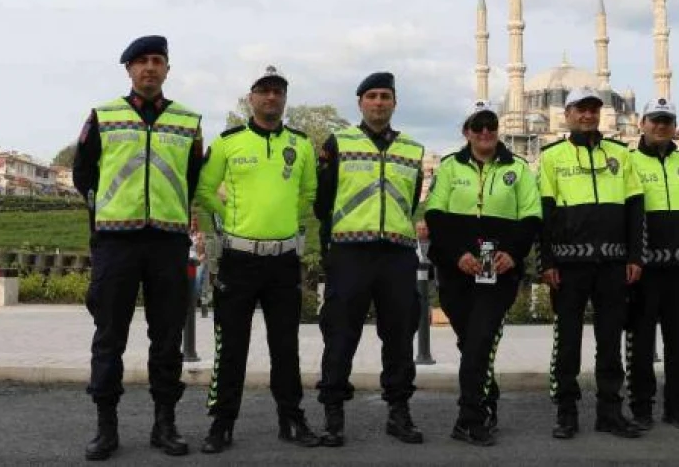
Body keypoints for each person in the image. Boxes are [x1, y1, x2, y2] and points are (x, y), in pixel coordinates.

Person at [72, 35, 203, 460]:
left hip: (167, 241)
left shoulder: (188, 121)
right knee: (109, 336)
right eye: (141, 61)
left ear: (167, 69)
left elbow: (193, 177)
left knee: (167, 338)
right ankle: (105, 428)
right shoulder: (103, 115)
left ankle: (164, 424)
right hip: (116, 242)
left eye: (157, 61)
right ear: (128, 69)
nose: (150, 68)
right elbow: (83, 174)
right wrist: (102, 217)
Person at [194, 66, 321, 453]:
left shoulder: (300, 145)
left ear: (284, 98)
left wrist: (288, 225)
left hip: (283, 261)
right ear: (252, 97)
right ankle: (222, 422)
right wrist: (227, 222)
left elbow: (308, 193)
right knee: (231, 345)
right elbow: (202, 189)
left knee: (286, 346)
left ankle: (291, 418)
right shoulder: (229, 142)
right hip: (238, 258)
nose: (271, 98)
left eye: (278, 91)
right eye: (264, 91)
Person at [314, 71, 426, 447]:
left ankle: (399, 412)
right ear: (360, 102)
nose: (379, 102)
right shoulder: (338, 142)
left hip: (396, 254)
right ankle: (333, 415)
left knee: (399, 337)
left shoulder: (413, 149)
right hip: (350, 254)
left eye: (385, 96)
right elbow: (323, 203)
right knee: (340, 337)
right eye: (372, 96)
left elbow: (409, 202)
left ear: (395, 102)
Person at [422, 101, 542, 446]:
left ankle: (469, 417)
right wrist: (458, 254)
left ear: (498, 129)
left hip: (498, 268)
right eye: (478, 126)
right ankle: (487, 397)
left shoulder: (517, 169)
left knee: (479, 340)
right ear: (467, 132)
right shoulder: (448, 167)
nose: (485, 132)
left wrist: (513, 253)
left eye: (491, 125)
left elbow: (531, 216)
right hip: (457, 269)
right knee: (470, 342)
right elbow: (435, 214)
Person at [537, 87, 645, 440]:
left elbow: (634, 208)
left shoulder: (620, 153)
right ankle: (566, 412)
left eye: (593, 110)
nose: (587, 116)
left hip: (613, 263)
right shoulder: (552, 156)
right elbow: (545, 214)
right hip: (569, 266)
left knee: (610, 342)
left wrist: (634, 256)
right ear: (567, 114)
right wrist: (547, 261)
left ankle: (610, 412)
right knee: (567, 342)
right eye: (580, 110)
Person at [625, 98, 679, 431]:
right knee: (641, 342)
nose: (661, 126)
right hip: (644, 269)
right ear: (642, 123)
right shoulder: (627, 163)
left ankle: (677, 408)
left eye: (667, 121)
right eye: (655, 120)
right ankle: (641, 408)